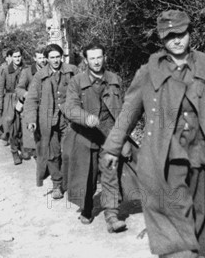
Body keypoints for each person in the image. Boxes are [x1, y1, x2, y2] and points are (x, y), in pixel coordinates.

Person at [101, 10, 205, 258]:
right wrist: (113, 146)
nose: (176, 40)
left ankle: (190, 252)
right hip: (166, 151)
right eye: (169, 36)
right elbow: (129, 110)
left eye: (180, 34)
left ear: (190, 33)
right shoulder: (149, 71)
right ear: (162, 40)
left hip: (204, 148)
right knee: (174, 204)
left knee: (198, 206)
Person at [63, 42, 130, 233]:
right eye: (92, 58)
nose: (96, 61)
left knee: (110, 173)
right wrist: (85, 117)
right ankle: (86, 207)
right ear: (85, 60)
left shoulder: (114, 79)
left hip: (109, 134)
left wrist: (124, 136)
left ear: (105, 57)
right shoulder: (76, 81)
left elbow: (125, 109)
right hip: (85, 134)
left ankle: (112, 215)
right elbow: (69, 107)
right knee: (87, 175)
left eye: (99, 57)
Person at [24, 44, 78, 198]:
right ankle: (57, 184)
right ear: (46, 59)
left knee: (70, 150)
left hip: (69, 119)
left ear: (62, 57)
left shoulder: (72, 71)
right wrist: (31, 120)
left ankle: (72, 181)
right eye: (52, 57)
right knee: (52, 153)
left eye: (57, 57)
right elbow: (32, 99)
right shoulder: (40, 76)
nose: (55, 60)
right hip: (48, 121)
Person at [15, 47, 48, 160]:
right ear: (35, 58)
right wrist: (28, 95)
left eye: (44, 57)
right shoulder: (27, 72)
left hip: (47, 106)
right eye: (40, 58)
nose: (43, 60)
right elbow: (19, 89)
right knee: (33, 132)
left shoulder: (51, 69)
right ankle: (35, 155)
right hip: (32, 105)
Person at [0, 48, 24, 164]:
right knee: (12, 127)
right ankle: (14, 151)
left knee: (24, 125)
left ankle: (23, 147)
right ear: (11, 57)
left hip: (23, 98)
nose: (17, 59)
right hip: (10, 99)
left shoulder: (25, 69)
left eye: (19, 56)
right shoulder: (5, 70)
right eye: (15, 56)